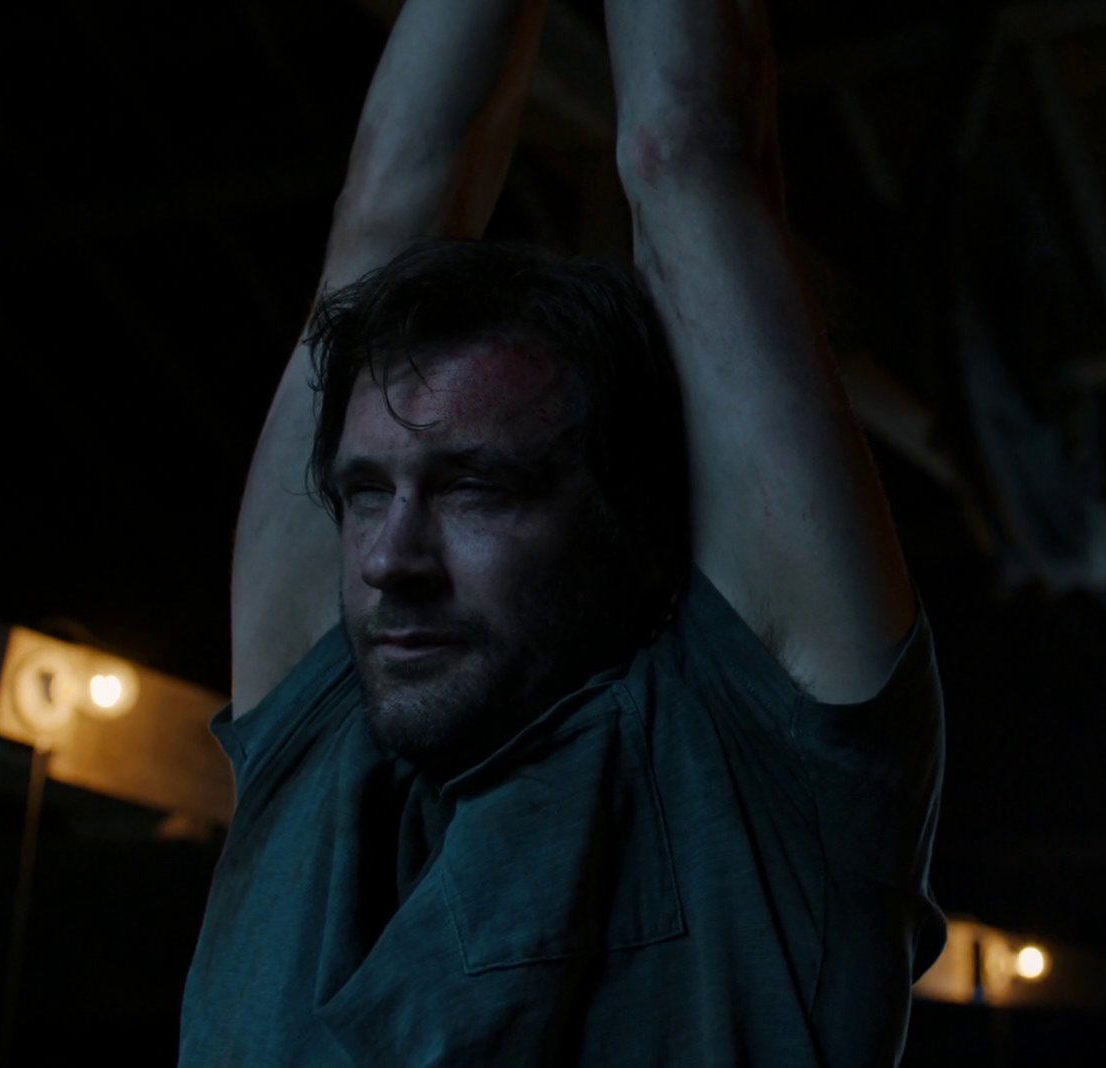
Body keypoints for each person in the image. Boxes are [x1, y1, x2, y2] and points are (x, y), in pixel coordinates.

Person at [178, 0, 946, 1064]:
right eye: (364, 493)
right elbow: (385, 209)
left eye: (475, 490)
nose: (392, 559)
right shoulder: (322, 742)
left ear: (624, 521)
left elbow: (691, 153)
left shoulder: (755, 775)